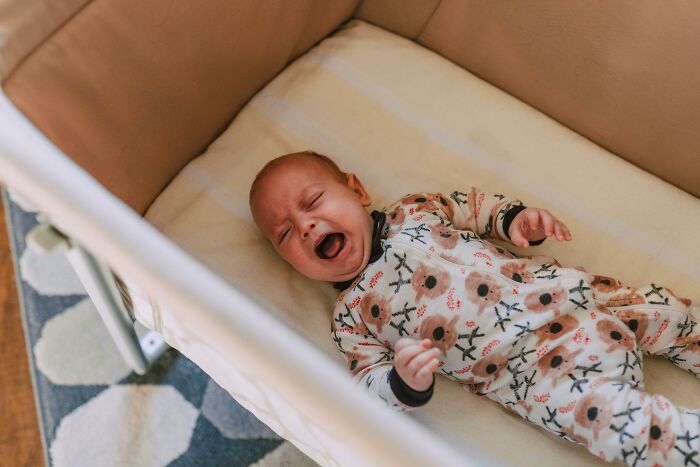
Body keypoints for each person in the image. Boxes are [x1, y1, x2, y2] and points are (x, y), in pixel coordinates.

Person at [249, 150, 700, 466]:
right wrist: (402, 381)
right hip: (537, 375)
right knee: (614, 425)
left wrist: (519, 220)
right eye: (285, 235)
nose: (306, 226)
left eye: (312, 202)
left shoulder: (416, 210)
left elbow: (475, 208)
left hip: (576, 297)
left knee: (672, 315)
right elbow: (369, 384)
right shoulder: (351, 318)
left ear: (357, 190)